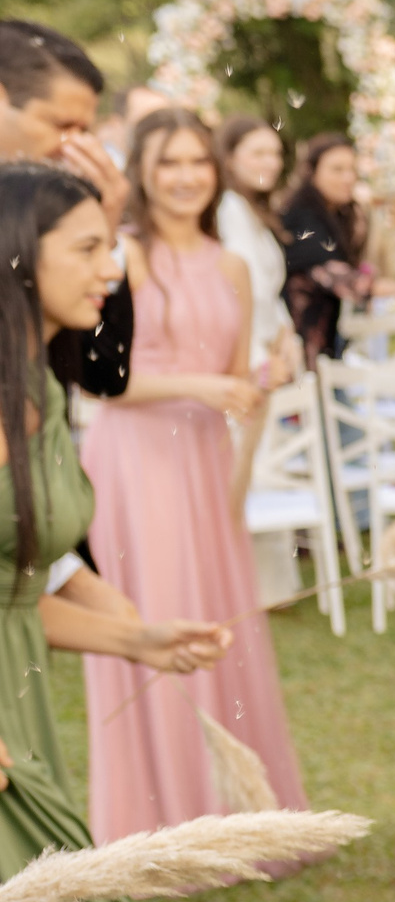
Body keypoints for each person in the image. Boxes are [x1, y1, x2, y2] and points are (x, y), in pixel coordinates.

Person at [0, 163, 267, 902]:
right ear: (18, 260)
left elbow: (25, 587)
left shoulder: (40, 392)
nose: (111, 269)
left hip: (24, 720)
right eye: (85, 248)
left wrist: (135, 632)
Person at [80, 108, 307, 842]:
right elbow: (100, 383)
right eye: (168, 162)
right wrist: (205, 387)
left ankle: (231, 807)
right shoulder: (125, 256)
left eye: (197, 162)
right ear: (142, 172)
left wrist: (264, 375)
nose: (184, 177)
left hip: (206, 460)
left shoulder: (231, 264)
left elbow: (236, 377)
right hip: (135, 461)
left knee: (216, 619)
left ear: (217, 172)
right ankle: (158, 815)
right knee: (155, 614)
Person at [0, 21, 133, 399]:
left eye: (84, 132)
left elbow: (104, 376)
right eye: (62, 125)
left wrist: (102, 229)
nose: (74, 148)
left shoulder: (53, 212)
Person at [212, 116, 297, 380]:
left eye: (275, 154)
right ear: (229, 158)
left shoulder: (252, 210)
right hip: (249, 349)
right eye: (258, 153)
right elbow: (252, 287)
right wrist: (279, 338)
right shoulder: (230, 208)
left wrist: (286, 332)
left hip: (267, 342)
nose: (271, 163)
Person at [277, 133, 371, 362]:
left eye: (352, 169)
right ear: (312, 172)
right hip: (298, 350)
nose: (348, 178)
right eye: (337, 170)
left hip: (325, 343)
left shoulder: (337, 213)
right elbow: (338, 277)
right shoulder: (300, 216)